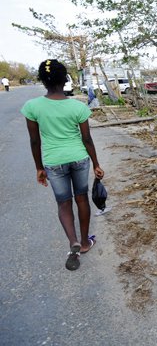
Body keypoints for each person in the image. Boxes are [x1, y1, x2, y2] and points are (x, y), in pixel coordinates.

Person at [21, 59, 105, 271]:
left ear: (43, 80)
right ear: (65, 79)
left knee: (63, 203)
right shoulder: (77, 106)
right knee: (81, 198)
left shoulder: (32, 107)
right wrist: (96, 163)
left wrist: (39, 167)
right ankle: (85, 243)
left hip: (53, 162)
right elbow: (87, 139)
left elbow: (34, 141)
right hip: (79, 158)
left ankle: (73, 241)